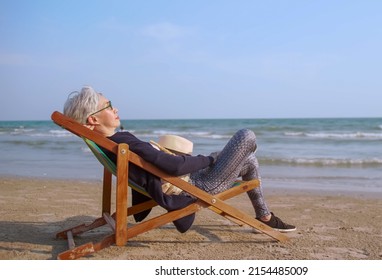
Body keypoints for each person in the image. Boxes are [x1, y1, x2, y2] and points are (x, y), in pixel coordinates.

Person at [63, 86, 296, 233]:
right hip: (196, 186)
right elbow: (173, 166)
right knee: (247, 136)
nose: (115, 109)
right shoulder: (123, 144)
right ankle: (265, 217)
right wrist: (209, 159)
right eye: (109, 105)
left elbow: (154, 172)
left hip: (191, 180)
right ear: (93, 120)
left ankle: (264, 216)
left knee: (250, 160)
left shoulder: (115, 144)